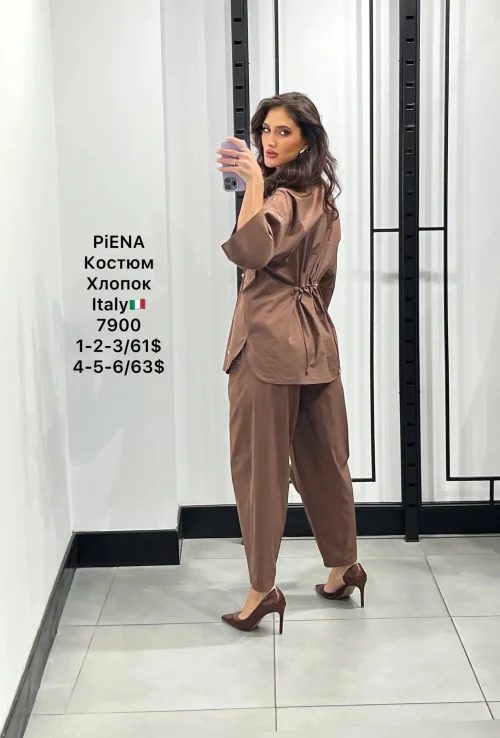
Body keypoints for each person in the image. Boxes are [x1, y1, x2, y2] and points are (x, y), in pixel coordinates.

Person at [215, 92, 367, 634]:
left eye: (283, 132)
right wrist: (305, 319)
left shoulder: (279, 199)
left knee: (260, 470)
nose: (269, 142)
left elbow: (248, 252)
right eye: (265, 131)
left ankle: (261, 591)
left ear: (306, 140)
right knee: (326, 461)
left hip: (266, 347)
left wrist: (253, 185)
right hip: (315, 342)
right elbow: (325, 282)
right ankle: (344, 568)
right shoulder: (324, 198)